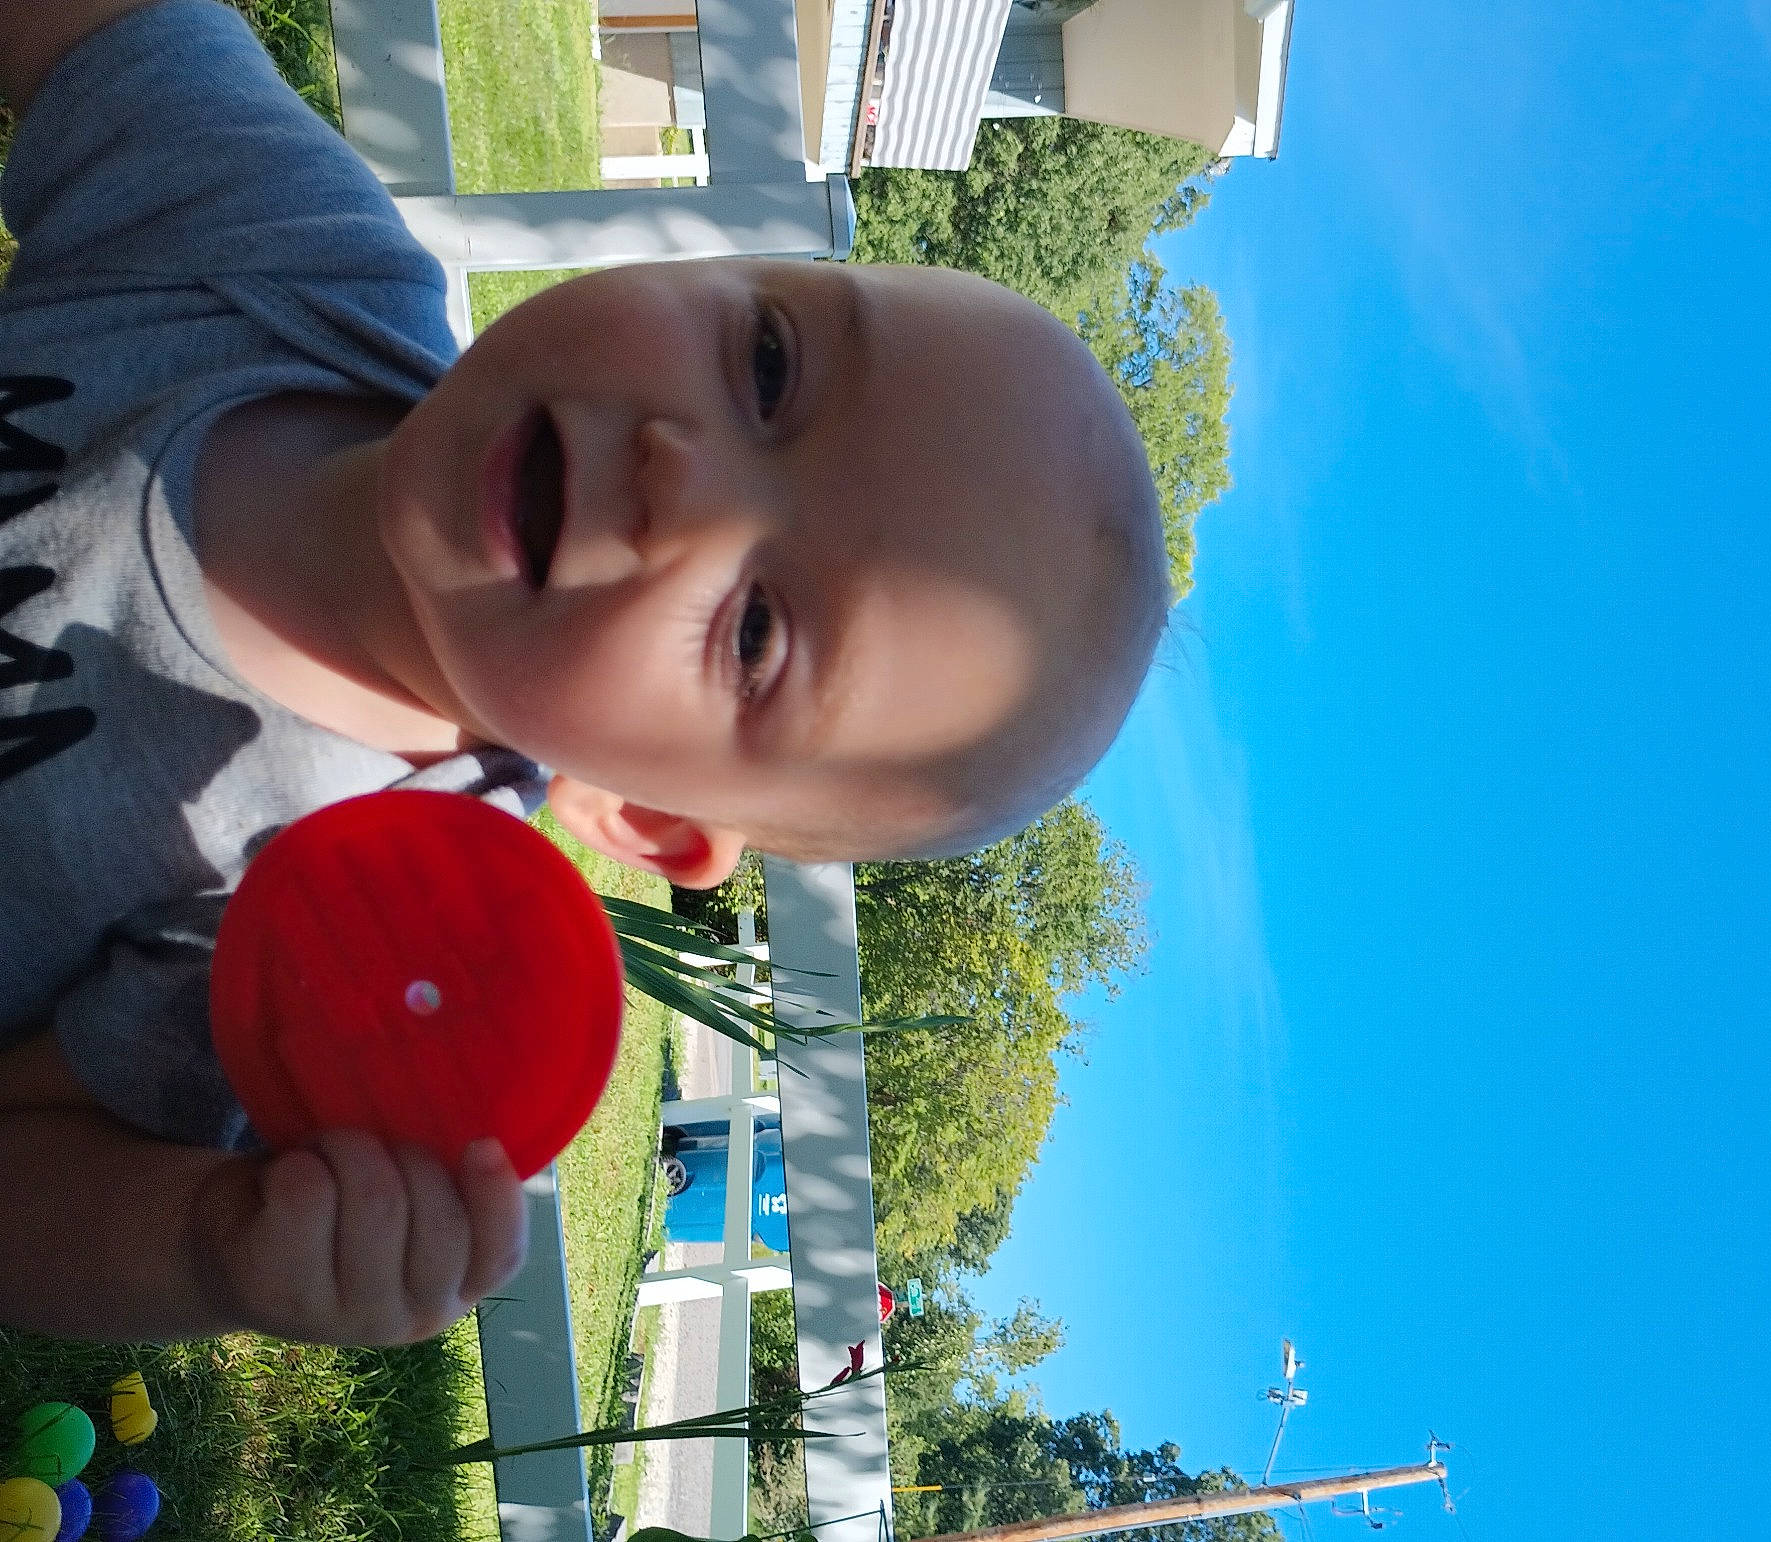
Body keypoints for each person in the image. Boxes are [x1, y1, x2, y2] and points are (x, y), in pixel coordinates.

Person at [0, 0, 1167, 1346]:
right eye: (769, 365)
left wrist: (215, 1248)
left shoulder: (348, 928)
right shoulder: (277, 252)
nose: (683, 476)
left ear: (644, 813)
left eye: (758, 632)